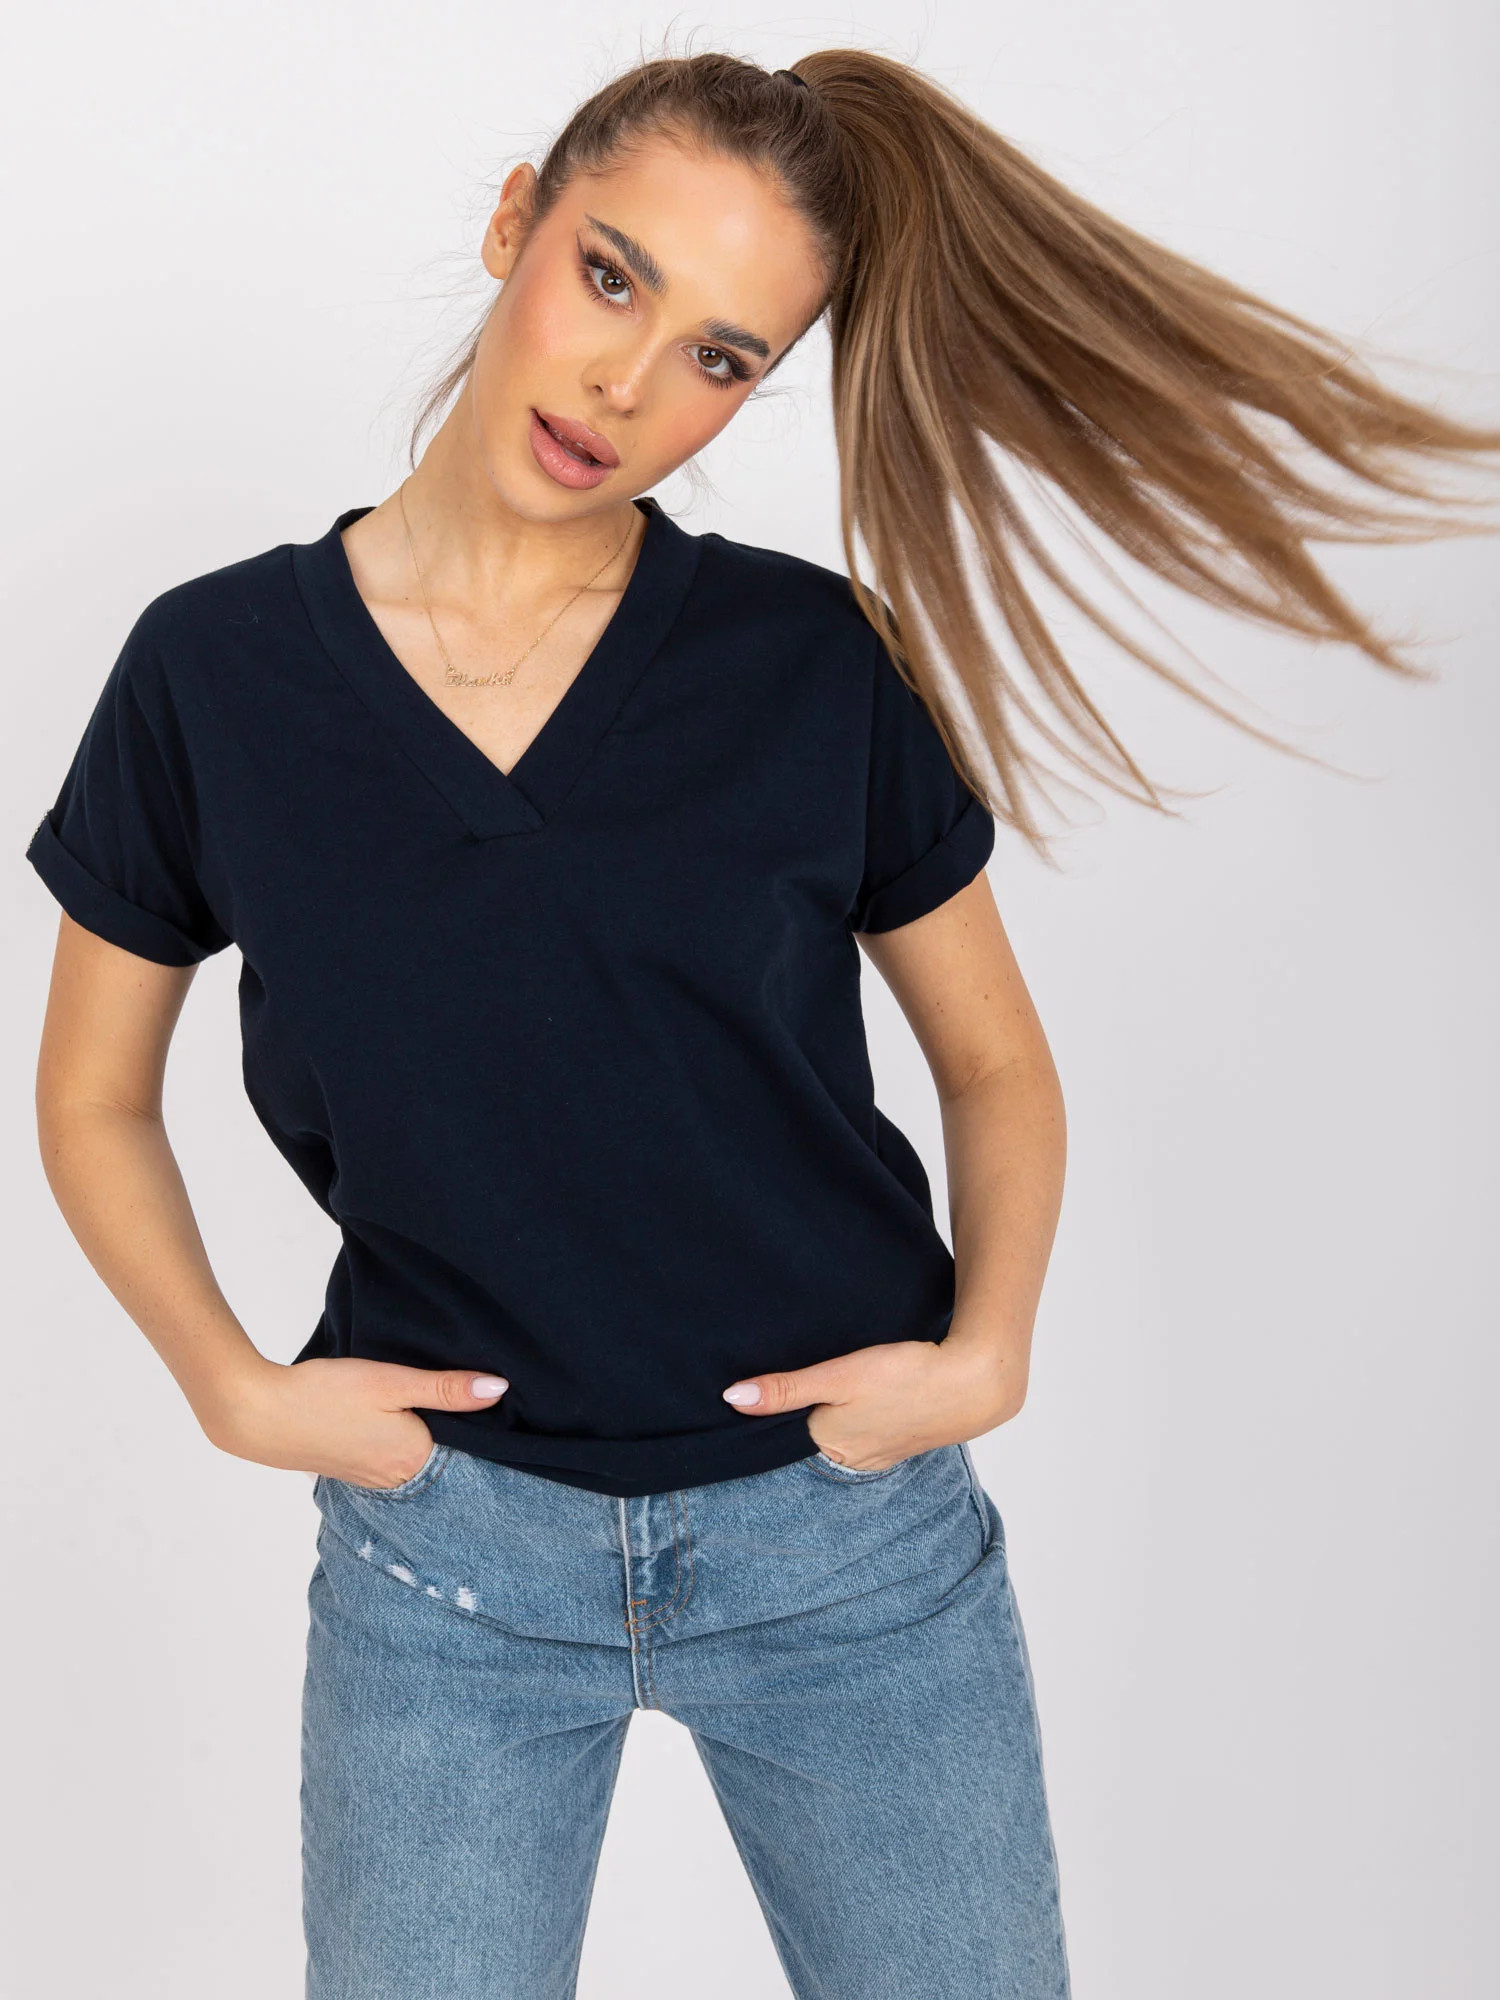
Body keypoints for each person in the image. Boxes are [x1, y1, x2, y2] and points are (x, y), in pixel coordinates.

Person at [23, 46, 1497, 2000]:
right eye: (611, 276)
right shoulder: (211, 671)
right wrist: (226, 1380)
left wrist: (988, 1351)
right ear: (516, 218)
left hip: (845, 1543)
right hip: (447, 1560)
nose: (627, 385)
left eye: (720, 355)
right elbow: (93, 1093)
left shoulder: (809, 661)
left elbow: (995, 1059)